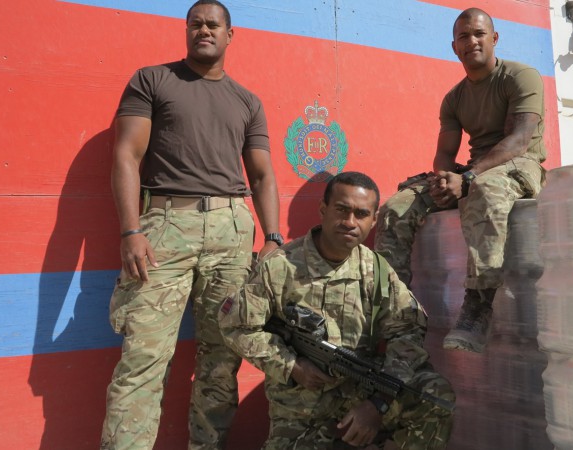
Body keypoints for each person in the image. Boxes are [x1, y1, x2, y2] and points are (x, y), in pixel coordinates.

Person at [100, 1, 283, 449]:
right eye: (195, 23)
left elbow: (261, 175)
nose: (204, 30)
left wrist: (274, 236)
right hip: (164, 227)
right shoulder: (152, 80)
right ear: (186, 30)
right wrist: (130, 230)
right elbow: (126, 155)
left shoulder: (247, 101)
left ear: (229, 34)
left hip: (232, 232)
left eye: (213, 24)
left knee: (222, 360)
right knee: (143, 358)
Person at [219, 172, 454, 450]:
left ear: (373, 220)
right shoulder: (280, 267)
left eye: (361, 214)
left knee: (434, 396)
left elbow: (408, 330)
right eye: (342, 210)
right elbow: (236, 326)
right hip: (302, 409)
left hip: (359, 393)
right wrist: (291, 365)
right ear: (323, 210)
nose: (350, 222)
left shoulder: (376, 269)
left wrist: (378, 403)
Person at [374, 7, 547, 353]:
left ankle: (479, 304)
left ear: (494, 38)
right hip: (475, 170)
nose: (472, 42)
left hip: (520, 164)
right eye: (463, 37)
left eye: (479, 34)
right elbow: (443, 155)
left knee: (485, 188)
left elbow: (518, 141)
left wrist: (466, 178)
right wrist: (444, 180)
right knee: (396, 206)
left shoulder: (521, 76)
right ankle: (392, 307)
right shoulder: (453, 98)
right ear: (454, 47)